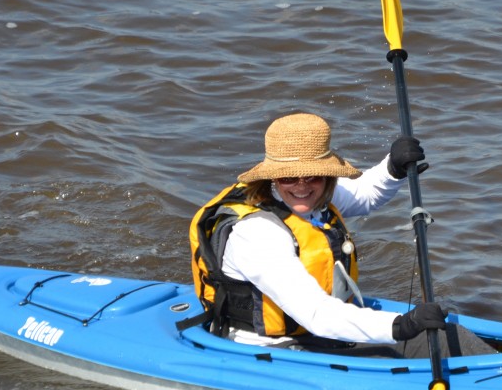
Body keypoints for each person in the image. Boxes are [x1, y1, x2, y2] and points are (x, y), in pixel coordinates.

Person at [188, 112, 466, 355]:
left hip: (320, 331)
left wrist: (393, 167)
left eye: (312, 175)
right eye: (288, 177)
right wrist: (402, 325)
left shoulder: (316, 198)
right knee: (432, 342)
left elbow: (364, 194)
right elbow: (316, 314)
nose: (301, 186)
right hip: (273, 347)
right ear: (271, 178)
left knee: (455, 337)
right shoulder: (258, 234)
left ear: (326, 175)